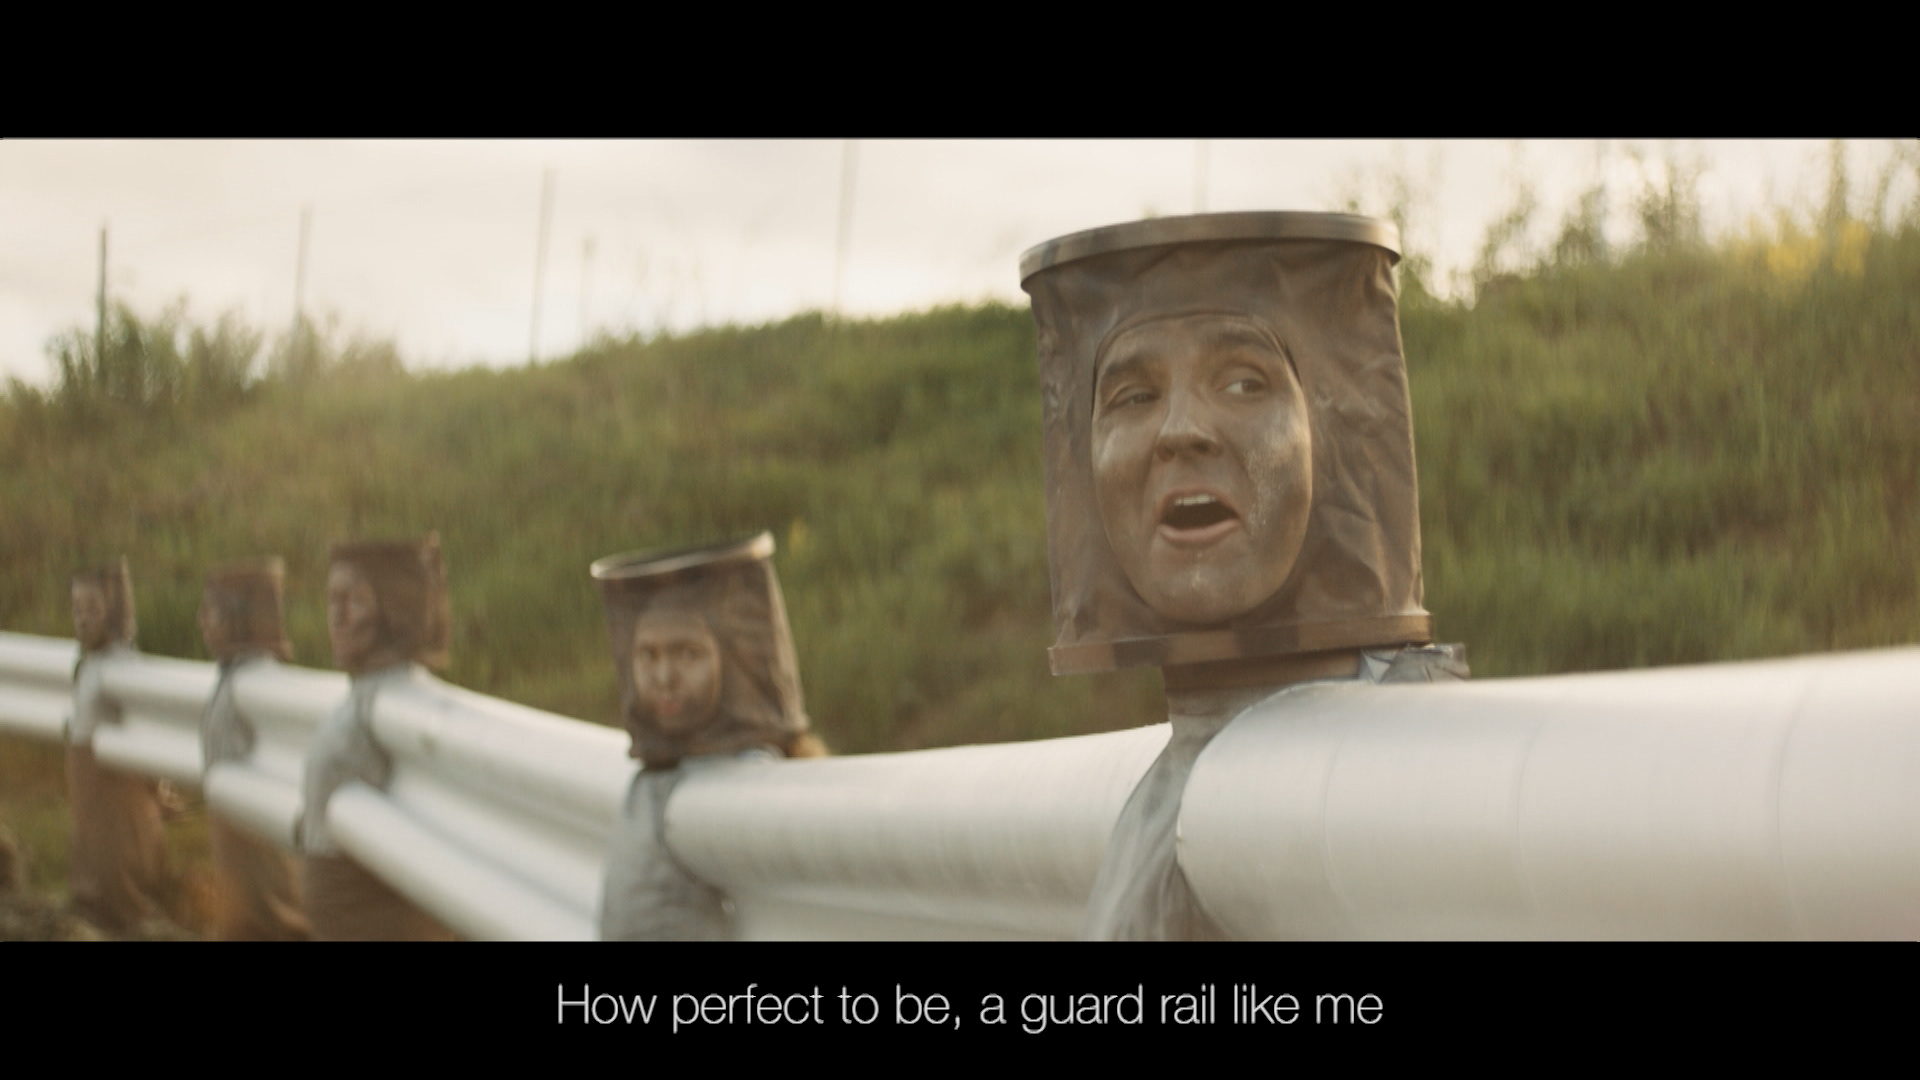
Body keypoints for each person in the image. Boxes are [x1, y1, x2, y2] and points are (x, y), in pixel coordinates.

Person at [1020, 212, 1468, 939]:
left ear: (1338, 428)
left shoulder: (1431, 786)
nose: (1181, 430)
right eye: (1134, 397)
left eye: (1241, 382)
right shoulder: (1162, 807)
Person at [591, 532, 824, 941]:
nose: (664, 677)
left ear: (733, 661)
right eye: (648, 655)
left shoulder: (759, 783)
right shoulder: (654, 786)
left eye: (687, 654)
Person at [297, 535, 458, 941]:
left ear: (395, 611)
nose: (338, 617)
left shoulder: (406, 714)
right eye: (332, 600)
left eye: (355, 601)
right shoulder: (362, 701)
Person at [198, 559, 311, 940]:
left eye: (211, 611)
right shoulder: (233, 683)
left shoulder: (259, 690)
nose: (201, 621)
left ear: (240, 618)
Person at [64, 558, 172, 934]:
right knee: (91, 867)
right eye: (77, 609)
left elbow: (146, 735)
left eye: (93, 609)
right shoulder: (87, 664)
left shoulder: (126, 669)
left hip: (119, 794)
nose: (83, 620)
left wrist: (156, 788)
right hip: (90, 789)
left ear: (116, 612)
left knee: (119, 877)